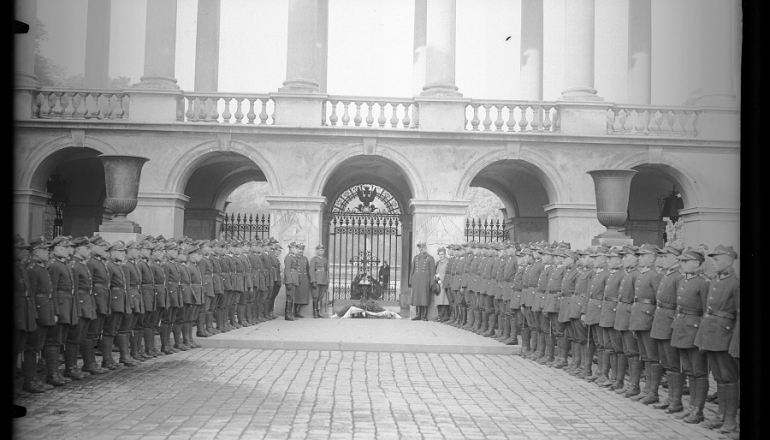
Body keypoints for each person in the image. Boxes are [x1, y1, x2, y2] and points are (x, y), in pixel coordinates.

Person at [694, 245, 739, 434]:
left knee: (729, 378)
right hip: (711, 335)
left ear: (728, 260)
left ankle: (730, 419)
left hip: (725, 336)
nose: (713, 263)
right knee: (719, 378)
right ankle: (720, 415)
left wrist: (735, 343)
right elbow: (707, 311)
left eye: (717, 259)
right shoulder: (713, 282)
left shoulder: (735, 284)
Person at [649, 245, 685, 411]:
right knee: (667, 363)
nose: (662, 259)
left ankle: (676, 401)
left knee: (674, 363)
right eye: (661, 256)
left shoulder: (678, 276)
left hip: (670, 321)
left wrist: (675, 323)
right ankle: (670, 398)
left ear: (676, 258)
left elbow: (681, 304)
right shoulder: (666, 275)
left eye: (666, 256)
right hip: (661, 319)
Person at [409, 242, 435, 321]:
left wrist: (432, 282)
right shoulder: (416, 258)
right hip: (416, 280)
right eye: (420, 248)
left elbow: (432, 271)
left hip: (425, 280)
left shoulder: (430, 258)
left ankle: (424, 315)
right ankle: (418, 315)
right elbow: (412, 270)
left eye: (423, 248)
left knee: (424, 297)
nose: (421, 249)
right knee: (417, 297)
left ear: (426, 248)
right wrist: (411, 281)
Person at [309, 244, 329, 319]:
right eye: (320, 250)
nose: (322, 252)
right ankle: (315, 313)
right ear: (317, 251)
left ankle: (319, 311)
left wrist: (327, 280)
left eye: (323, 250)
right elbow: (311, 271)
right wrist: (313, 280)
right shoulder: (314, 259)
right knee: (315, 297)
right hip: (317, 280)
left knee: (321, 297)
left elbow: (326, 270)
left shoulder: (324, 259)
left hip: (323, 280)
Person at [283, 242, 300, 321]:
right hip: (291, 280)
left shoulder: (293, 257)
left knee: (291, 297)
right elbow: (287, 270)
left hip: (294, 279)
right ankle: (287, 314)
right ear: (291, 249)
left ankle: (290, 314)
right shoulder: (289, 257)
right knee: (289, 297)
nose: (297, 250)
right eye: (296, 248)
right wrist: (289, 281)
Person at [433, 247, 450, 322]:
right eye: (439, 254)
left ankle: (445, 316)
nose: (441, 256)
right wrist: (436, 277)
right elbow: (436, 272)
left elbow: (448, 273)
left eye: (442, 254)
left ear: (445, 254)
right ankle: (439, 315)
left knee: (444, 300)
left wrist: (441, 276)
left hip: (444, 283)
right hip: (438, 284)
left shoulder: (447, 262)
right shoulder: (438, 262)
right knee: (438, 300)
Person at [295, 244, 311, 318]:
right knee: (296, 295)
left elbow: (308, 270)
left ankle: (298, 311)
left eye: (302, 249)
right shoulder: (294, 258)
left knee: (302, 295)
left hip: (304, 279)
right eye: (299, 249)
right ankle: (294, 311)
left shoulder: (305, 259)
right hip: (296, 279)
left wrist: (309, 280)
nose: (301, 251)